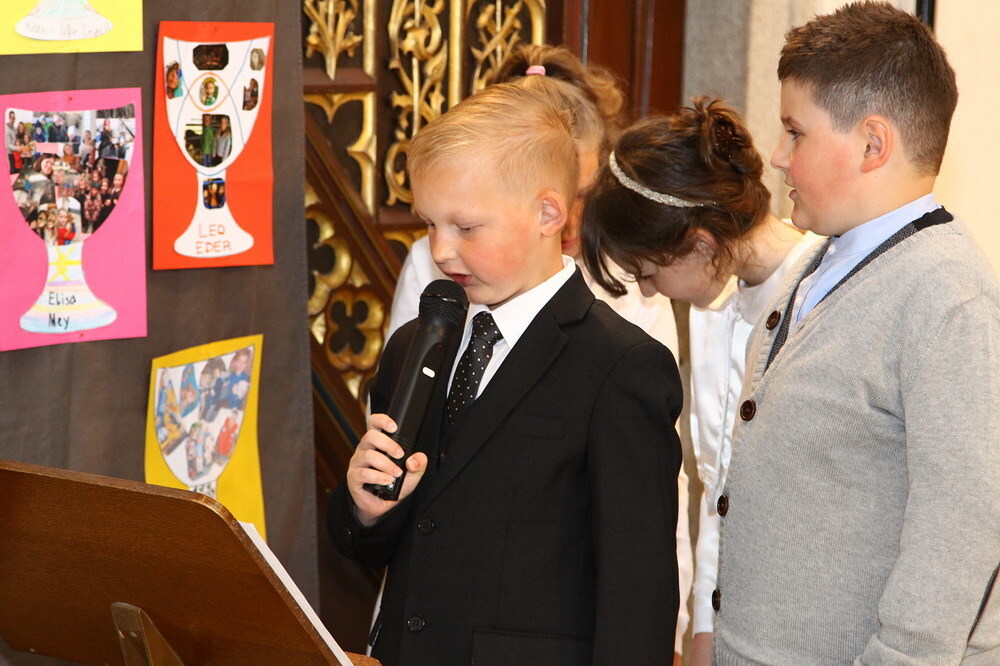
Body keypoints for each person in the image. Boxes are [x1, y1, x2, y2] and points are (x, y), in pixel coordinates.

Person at [329, 83, 683, 665]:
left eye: (466, 228)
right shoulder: (414, 346)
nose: (441, 251)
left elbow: (637, 592)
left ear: (548, 214)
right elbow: (383, 543)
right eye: (429, 224)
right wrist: (366, 508)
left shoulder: (621, 366)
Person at [714, 3, 999, 663]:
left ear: (873, 144)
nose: (777, 158)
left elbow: (962, 525)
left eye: (795, 133)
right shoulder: (821, 261)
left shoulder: (948, 298)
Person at [581, 97, 820, 665]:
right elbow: (718, 493)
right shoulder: (714, 308)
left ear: (701, 244)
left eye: (648, 272)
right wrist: (705, 632)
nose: (647, 291)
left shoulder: (822, 293)